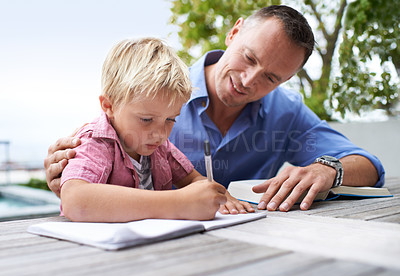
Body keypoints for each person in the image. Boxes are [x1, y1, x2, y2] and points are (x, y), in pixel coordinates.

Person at [44, 5, 384, 214]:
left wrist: (327, 170)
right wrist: (68, 171)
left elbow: (369, 166)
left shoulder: (288, 113)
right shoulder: (154, 91)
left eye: (271, 77)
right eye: (249, 58)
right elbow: (86, 178)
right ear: (234, 32)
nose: (250, 81)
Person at [57, 37, 230, 222]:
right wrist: (177, 203)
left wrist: (215, 195)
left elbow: (196, 181)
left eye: (170, 119)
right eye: (146, 119)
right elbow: (74, 199)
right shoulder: (96, 142)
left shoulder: (161, 148)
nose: (161, 134)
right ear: (109, 105)